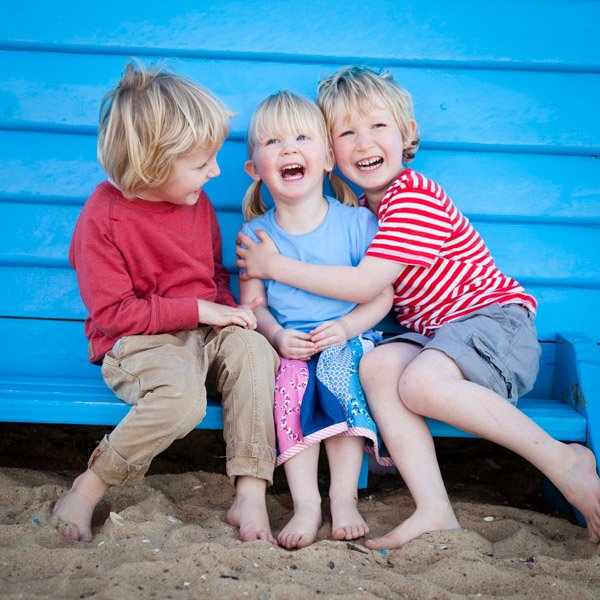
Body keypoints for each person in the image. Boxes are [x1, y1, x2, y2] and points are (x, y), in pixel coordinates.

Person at [236, 66, 600, 549]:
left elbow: (366, 283)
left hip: (493, 323)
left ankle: (564, 460)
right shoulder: (366, 213)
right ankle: (434, 509)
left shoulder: (411, 198)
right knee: (381, 365)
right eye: (347, 132)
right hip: (437, 338)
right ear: (333, 151)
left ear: (408, 134)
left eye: (378, 126)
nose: (364, 143)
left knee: (419, 380)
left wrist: (275, 266)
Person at [51, 61, 280, 544]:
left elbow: (212, 275)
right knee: (182, 400)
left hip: (203, 334)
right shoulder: (104, 219)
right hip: (137, 343)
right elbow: (114, 315)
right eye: (201, 164)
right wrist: (201, 310)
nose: (215, 172)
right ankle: (88, 487)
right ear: (152, 164)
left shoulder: (194, 204)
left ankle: (251, 492)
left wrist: (225, 313)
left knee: (257, 352)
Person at [239, 91, 393, 549]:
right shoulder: (254, 235)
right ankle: (307, 503)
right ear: (255, 169)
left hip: (349, 338)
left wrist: (347, 328)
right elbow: (254, 304)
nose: (289, 148)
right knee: (287, 387)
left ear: (328, 159)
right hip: (293, 345)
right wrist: (276, 334)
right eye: (273, 141)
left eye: (302, 137)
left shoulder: (355, 223)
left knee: (337, 373)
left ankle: (343, 497)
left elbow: (381, 295)